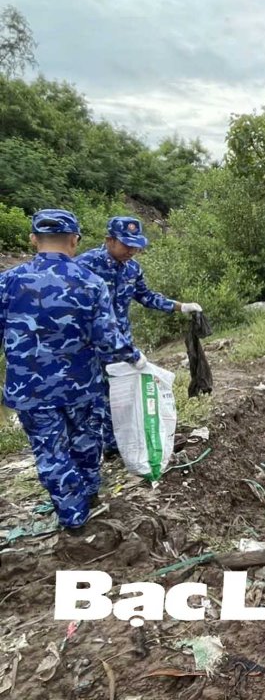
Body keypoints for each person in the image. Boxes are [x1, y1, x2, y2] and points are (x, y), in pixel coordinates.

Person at [0, 210, 145, 531]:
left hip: (31, 390)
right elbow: (108, 340)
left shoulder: (8, 281)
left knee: (51, 453)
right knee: (86, 445)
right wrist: (135, 357)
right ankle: (89, 496)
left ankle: (72, 516)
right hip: (83, 386)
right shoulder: (91, 283)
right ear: (75, 240)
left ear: (33, 239)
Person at [76, 216, 201, 456]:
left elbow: (146, 296)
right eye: (126, 245)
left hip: (121, 344)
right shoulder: (84, 266)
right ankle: (95, 449)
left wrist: (180, 306)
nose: (132, 251)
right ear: (109, 240)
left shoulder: (132, 268)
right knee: (94, 398)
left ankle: (119, 445)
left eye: (136, 246)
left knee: (123, 393)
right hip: (88, 345)